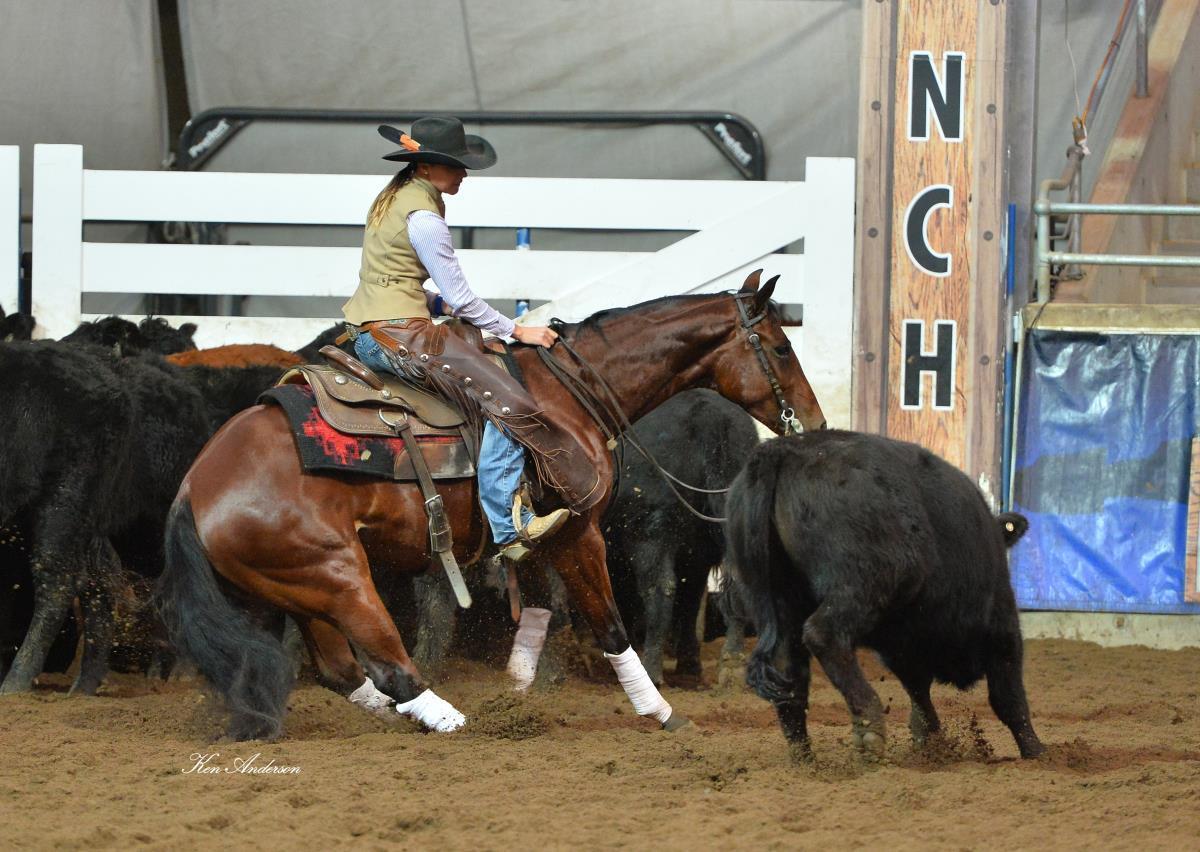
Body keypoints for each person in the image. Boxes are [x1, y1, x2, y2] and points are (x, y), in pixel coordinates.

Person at [343, 116, 603, 562]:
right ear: (426, 167)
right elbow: (463, 299)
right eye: (454, 164)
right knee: (508, 398)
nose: (463, 173)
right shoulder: (425, 219)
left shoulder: (393, 201)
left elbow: (393, 278)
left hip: (374, 329)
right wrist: (516, 329)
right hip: (401, 335)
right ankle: (509, 523)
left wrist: (437, 305)